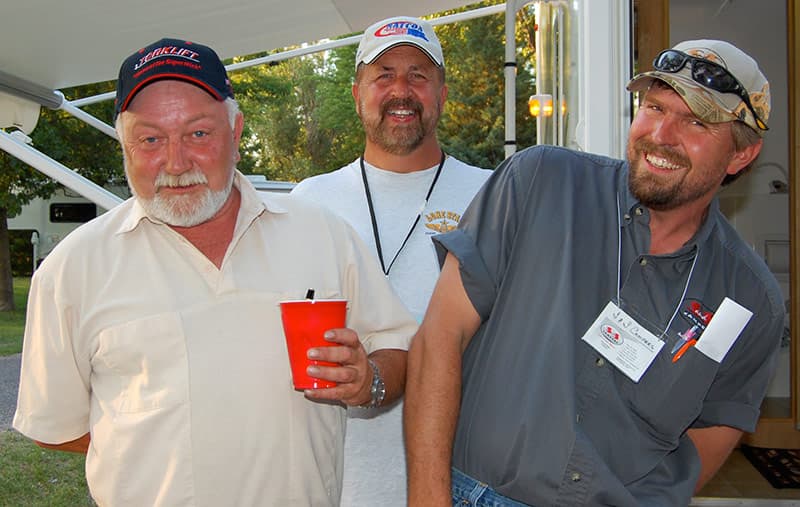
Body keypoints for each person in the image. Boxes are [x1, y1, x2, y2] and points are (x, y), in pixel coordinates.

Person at [13, 37, 417, 507]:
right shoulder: (73, 268)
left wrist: (369, 380)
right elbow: (55, 429)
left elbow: (399, 346)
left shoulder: (322, 234)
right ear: (124, 145)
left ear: (236, 132)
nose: (176, 161)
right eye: (150, 139)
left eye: (198, 133)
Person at [405, 39, 785, 507]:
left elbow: (712, 433)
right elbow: (439, 337)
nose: (662, 134)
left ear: (741, 155)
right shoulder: (540, 181)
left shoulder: (749, 299)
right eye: (654, 106)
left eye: (696, 122)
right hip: (469, 493)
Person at [291, 15, 491, 505]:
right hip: (339, 479)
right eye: (383, 75)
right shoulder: (307, 200)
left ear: (442, 94)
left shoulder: (492, 193)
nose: (401, 90)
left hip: (463, 477)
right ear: (358, 92)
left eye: (418, 76)